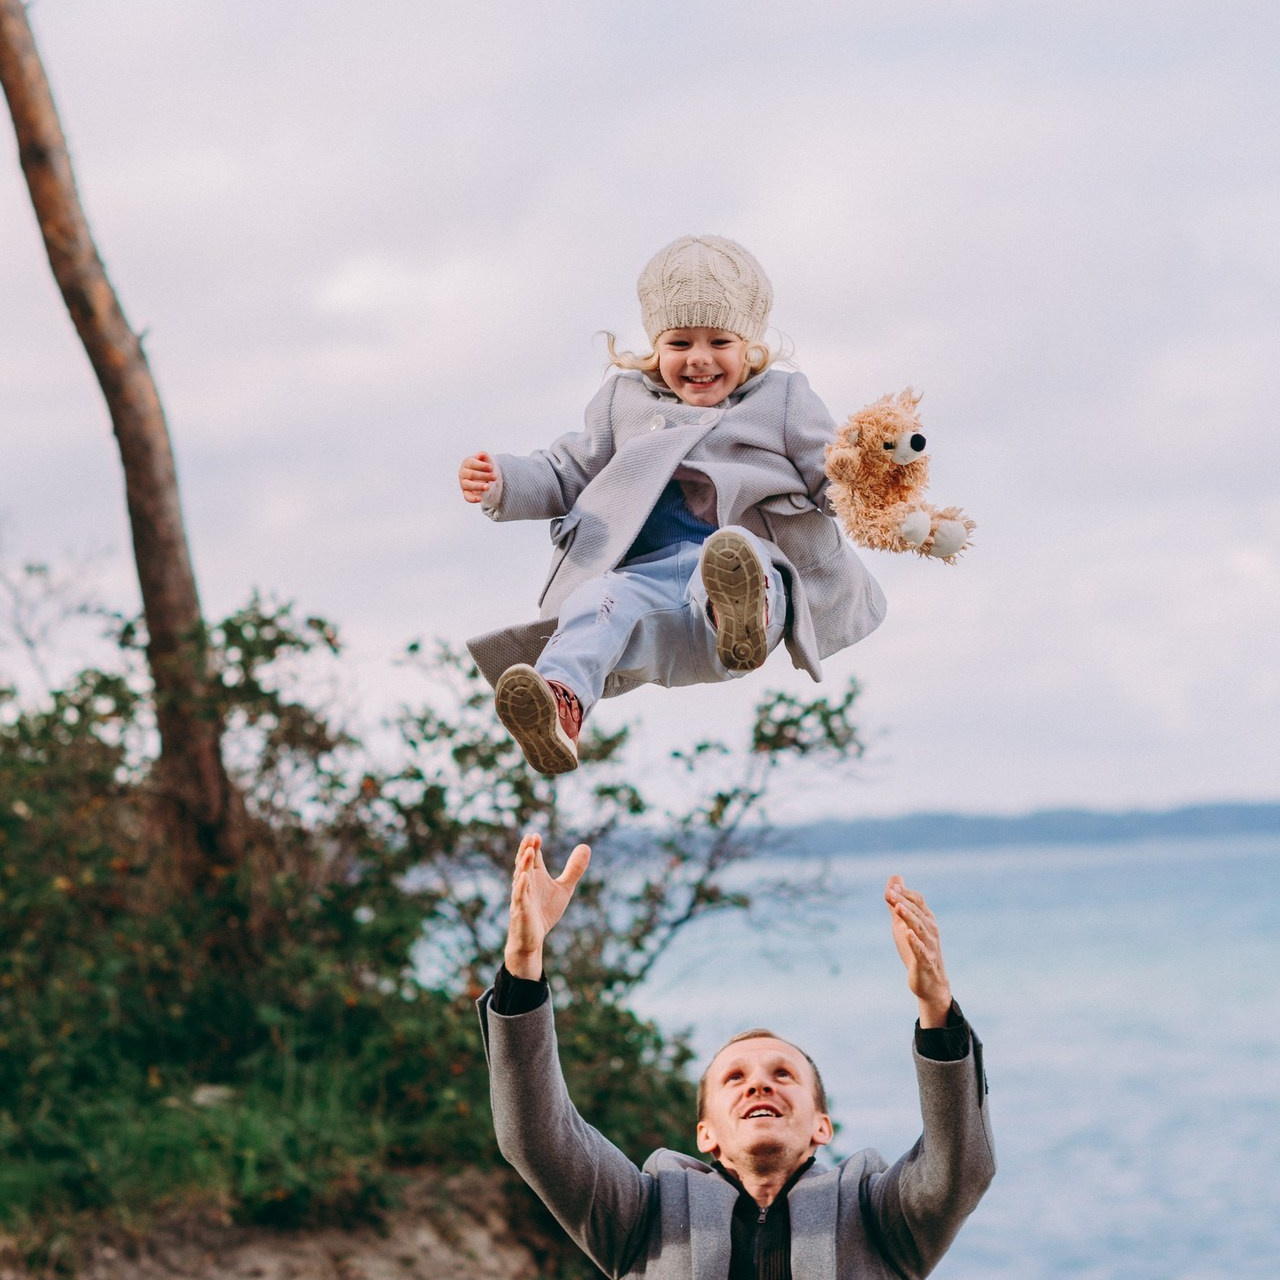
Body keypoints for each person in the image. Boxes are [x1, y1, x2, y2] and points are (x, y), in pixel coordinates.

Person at [478, 833, 996, 1279]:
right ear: (705, 1134)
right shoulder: (641, 1216)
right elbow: (537, 1137)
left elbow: (962, 1167)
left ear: (822, 1125)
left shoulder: (880, 1217)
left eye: (783, 1073)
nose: (759, 1085)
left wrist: (936, 1006)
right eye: (734, 1078)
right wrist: (523, 964)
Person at [459, 235, 887, 774]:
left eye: (719, 342)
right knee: (596, 602)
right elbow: (568, 470)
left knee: (742, 556)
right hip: (649, 597)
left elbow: (831, 470)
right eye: (680, 343)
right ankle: (560, 705)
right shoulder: (624, 401)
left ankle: (739, 616)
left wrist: (868, 485)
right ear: (655, 346)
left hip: (743, 590)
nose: (699, 359)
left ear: (750, 346)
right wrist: (502, 480)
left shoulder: (780, 400)